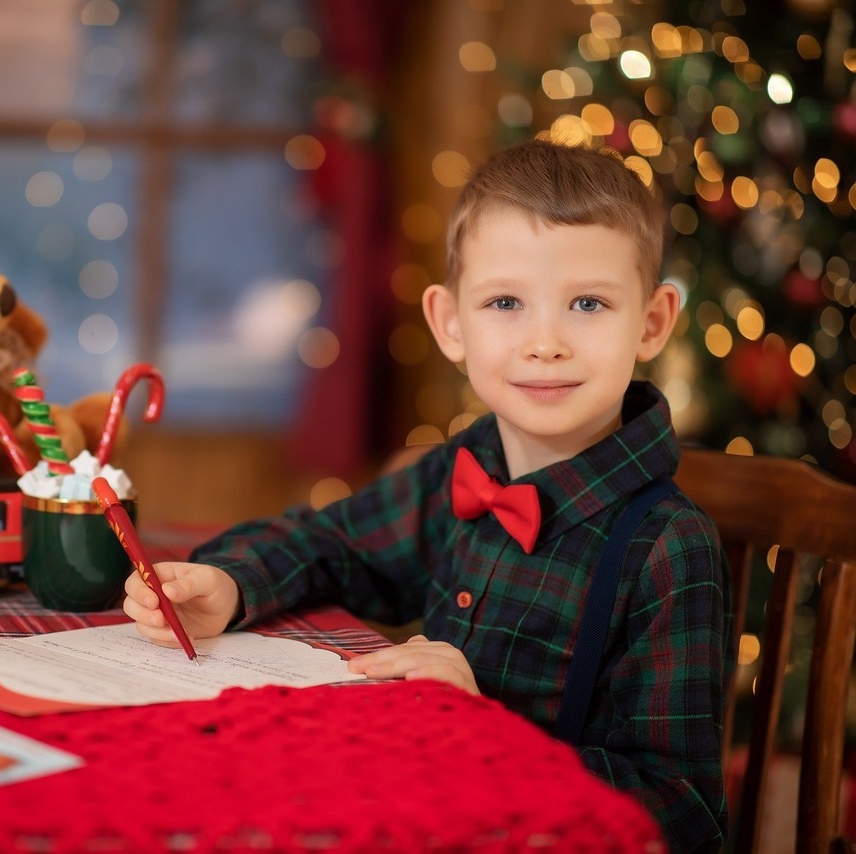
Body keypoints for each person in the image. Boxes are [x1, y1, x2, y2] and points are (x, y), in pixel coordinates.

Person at [123, 138, 732, 852]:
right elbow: (330, 543)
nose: (545, 342)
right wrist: (232, 585)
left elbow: (685, 811)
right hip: (412, 811)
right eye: (505, 302)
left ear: (652, 323)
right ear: (450, 324)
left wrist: (489, 732)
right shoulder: (461, 469)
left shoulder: (668, 547)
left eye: (588, 303)